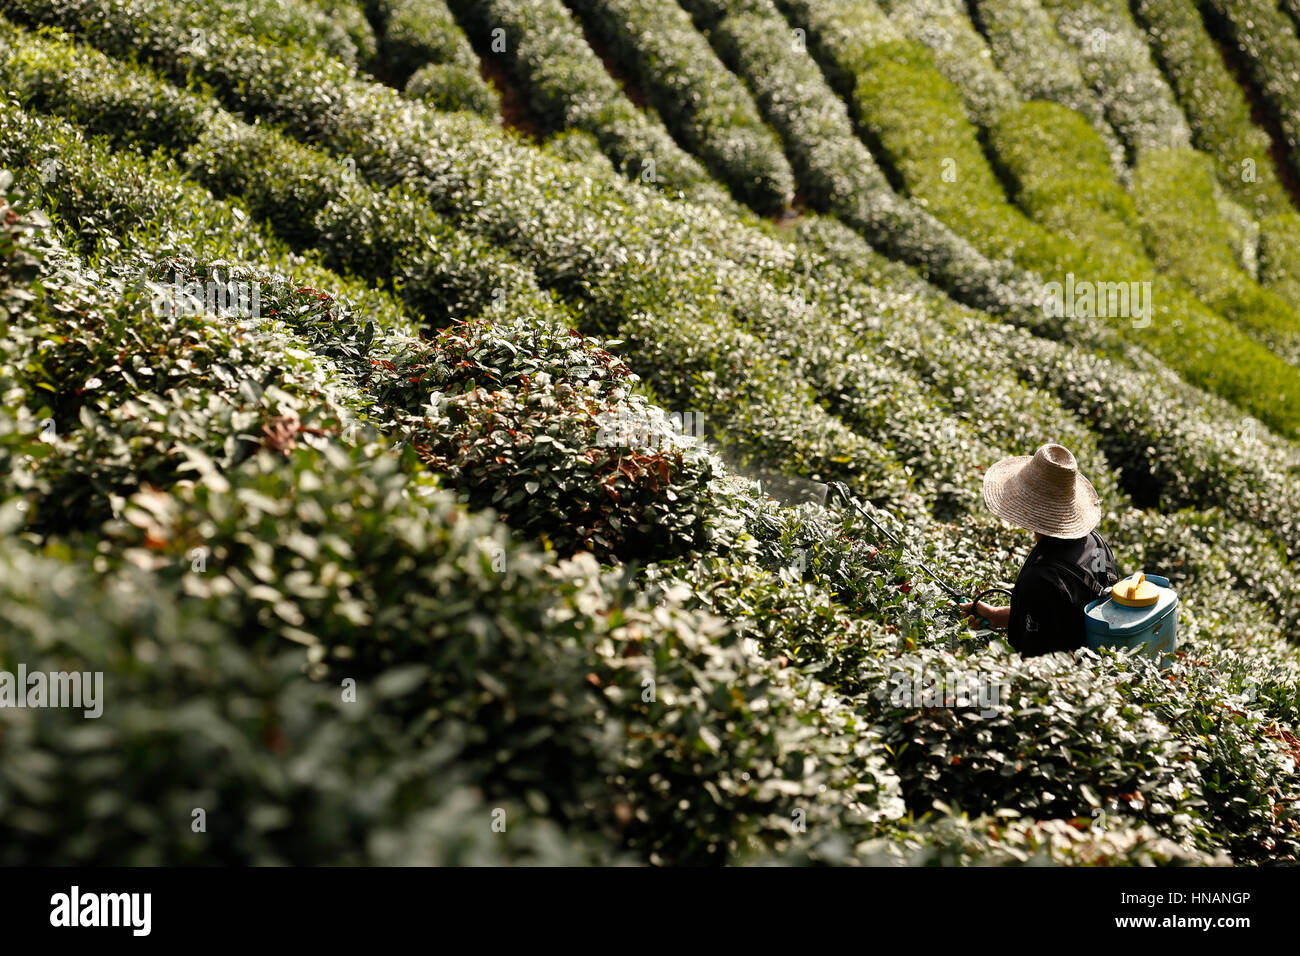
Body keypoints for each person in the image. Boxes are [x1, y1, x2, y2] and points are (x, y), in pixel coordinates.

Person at [960, 443, 1118, 656]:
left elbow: (1031, 669)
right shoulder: (1094, 540)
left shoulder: (1039, 579)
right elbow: (1066, 616)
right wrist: (997, 616)